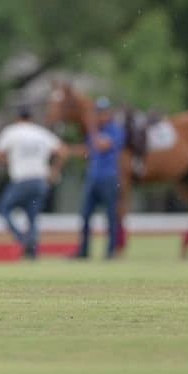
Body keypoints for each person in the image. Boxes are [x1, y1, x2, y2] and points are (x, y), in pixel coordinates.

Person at [0, 105, 67, 259]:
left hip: (22, 179)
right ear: (31, 118)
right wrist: (55, 171)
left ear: (17, 118)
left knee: (4, 209)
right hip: (40, 181)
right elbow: (63, 151)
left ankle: (22, 239)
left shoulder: (11, 131)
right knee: (32, 216)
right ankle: (32, 251)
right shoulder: (41, 132)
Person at [71, 96, 126, 259]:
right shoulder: (95, 131)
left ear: (109, 113)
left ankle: (110, 252)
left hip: (109, 178)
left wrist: (91, 126)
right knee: (85, 215)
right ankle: (83, 251)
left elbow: (102, 146)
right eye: (98, 112)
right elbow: (88, 151)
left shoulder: (116, 130)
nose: (100, 115)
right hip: (93, 177)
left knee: (110, 216)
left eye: (103, 112)